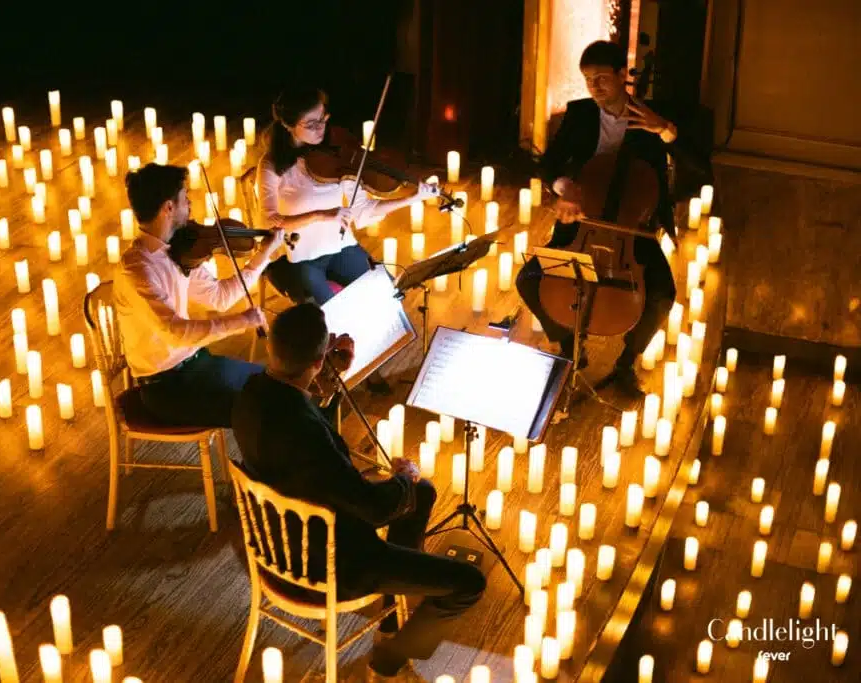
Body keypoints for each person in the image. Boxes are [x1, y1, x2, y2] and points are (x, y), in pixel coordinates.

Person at [232, 303, 487, 682]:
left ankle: (392, 601)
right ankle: (391, 656)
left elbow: (305, 432)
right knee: (469, 582)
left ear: (273, 348)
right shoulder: (308, 437)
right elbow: (373, 510)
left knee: (424, 493)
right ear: (318, 360)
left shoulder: (253, 391)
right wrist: (404, 476)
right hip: (330, 561)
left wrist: (328, 385)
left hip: (276, 533)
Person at [516, 39, 704, 397]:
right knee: (529, 279)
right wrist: (564, 186)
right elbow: (549, 164)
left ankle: (626, 364)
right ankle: (570, 348)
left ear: (622, 76)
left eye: (602, 78)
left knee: (661, 296)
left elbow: (699, 167)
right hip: (583, 222)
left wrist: (665, 129)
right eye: (588, 79)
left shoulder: (655, 115)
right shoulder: (581, 113)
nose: (595, 88)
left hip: (633, 228)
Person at [113, 163, 284, 428]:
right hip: (166, 386)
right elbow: (176, 331)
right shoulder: (138, 270)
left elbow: (220, 297)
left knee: (281, 386)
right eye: (185, 198)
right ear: (168, 208)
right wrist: (240, 322)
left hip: (197, 364)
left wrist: (263, 255)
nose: (190, 205)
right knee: (259, 412)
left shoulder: (181, 249)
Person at [256, 85, 439, 306]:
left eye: (324, 119)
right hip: (301, 259)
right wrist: (321, 215)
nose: (321, 128)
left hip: (341, 248)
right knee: (332, 316)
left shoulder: (339, 154)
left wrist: (412, 199)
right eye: (312, 124)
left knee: (389, 295)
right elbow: (270, 221)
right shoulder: (272, 165)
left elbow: (363, 211)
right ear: (288, 125)